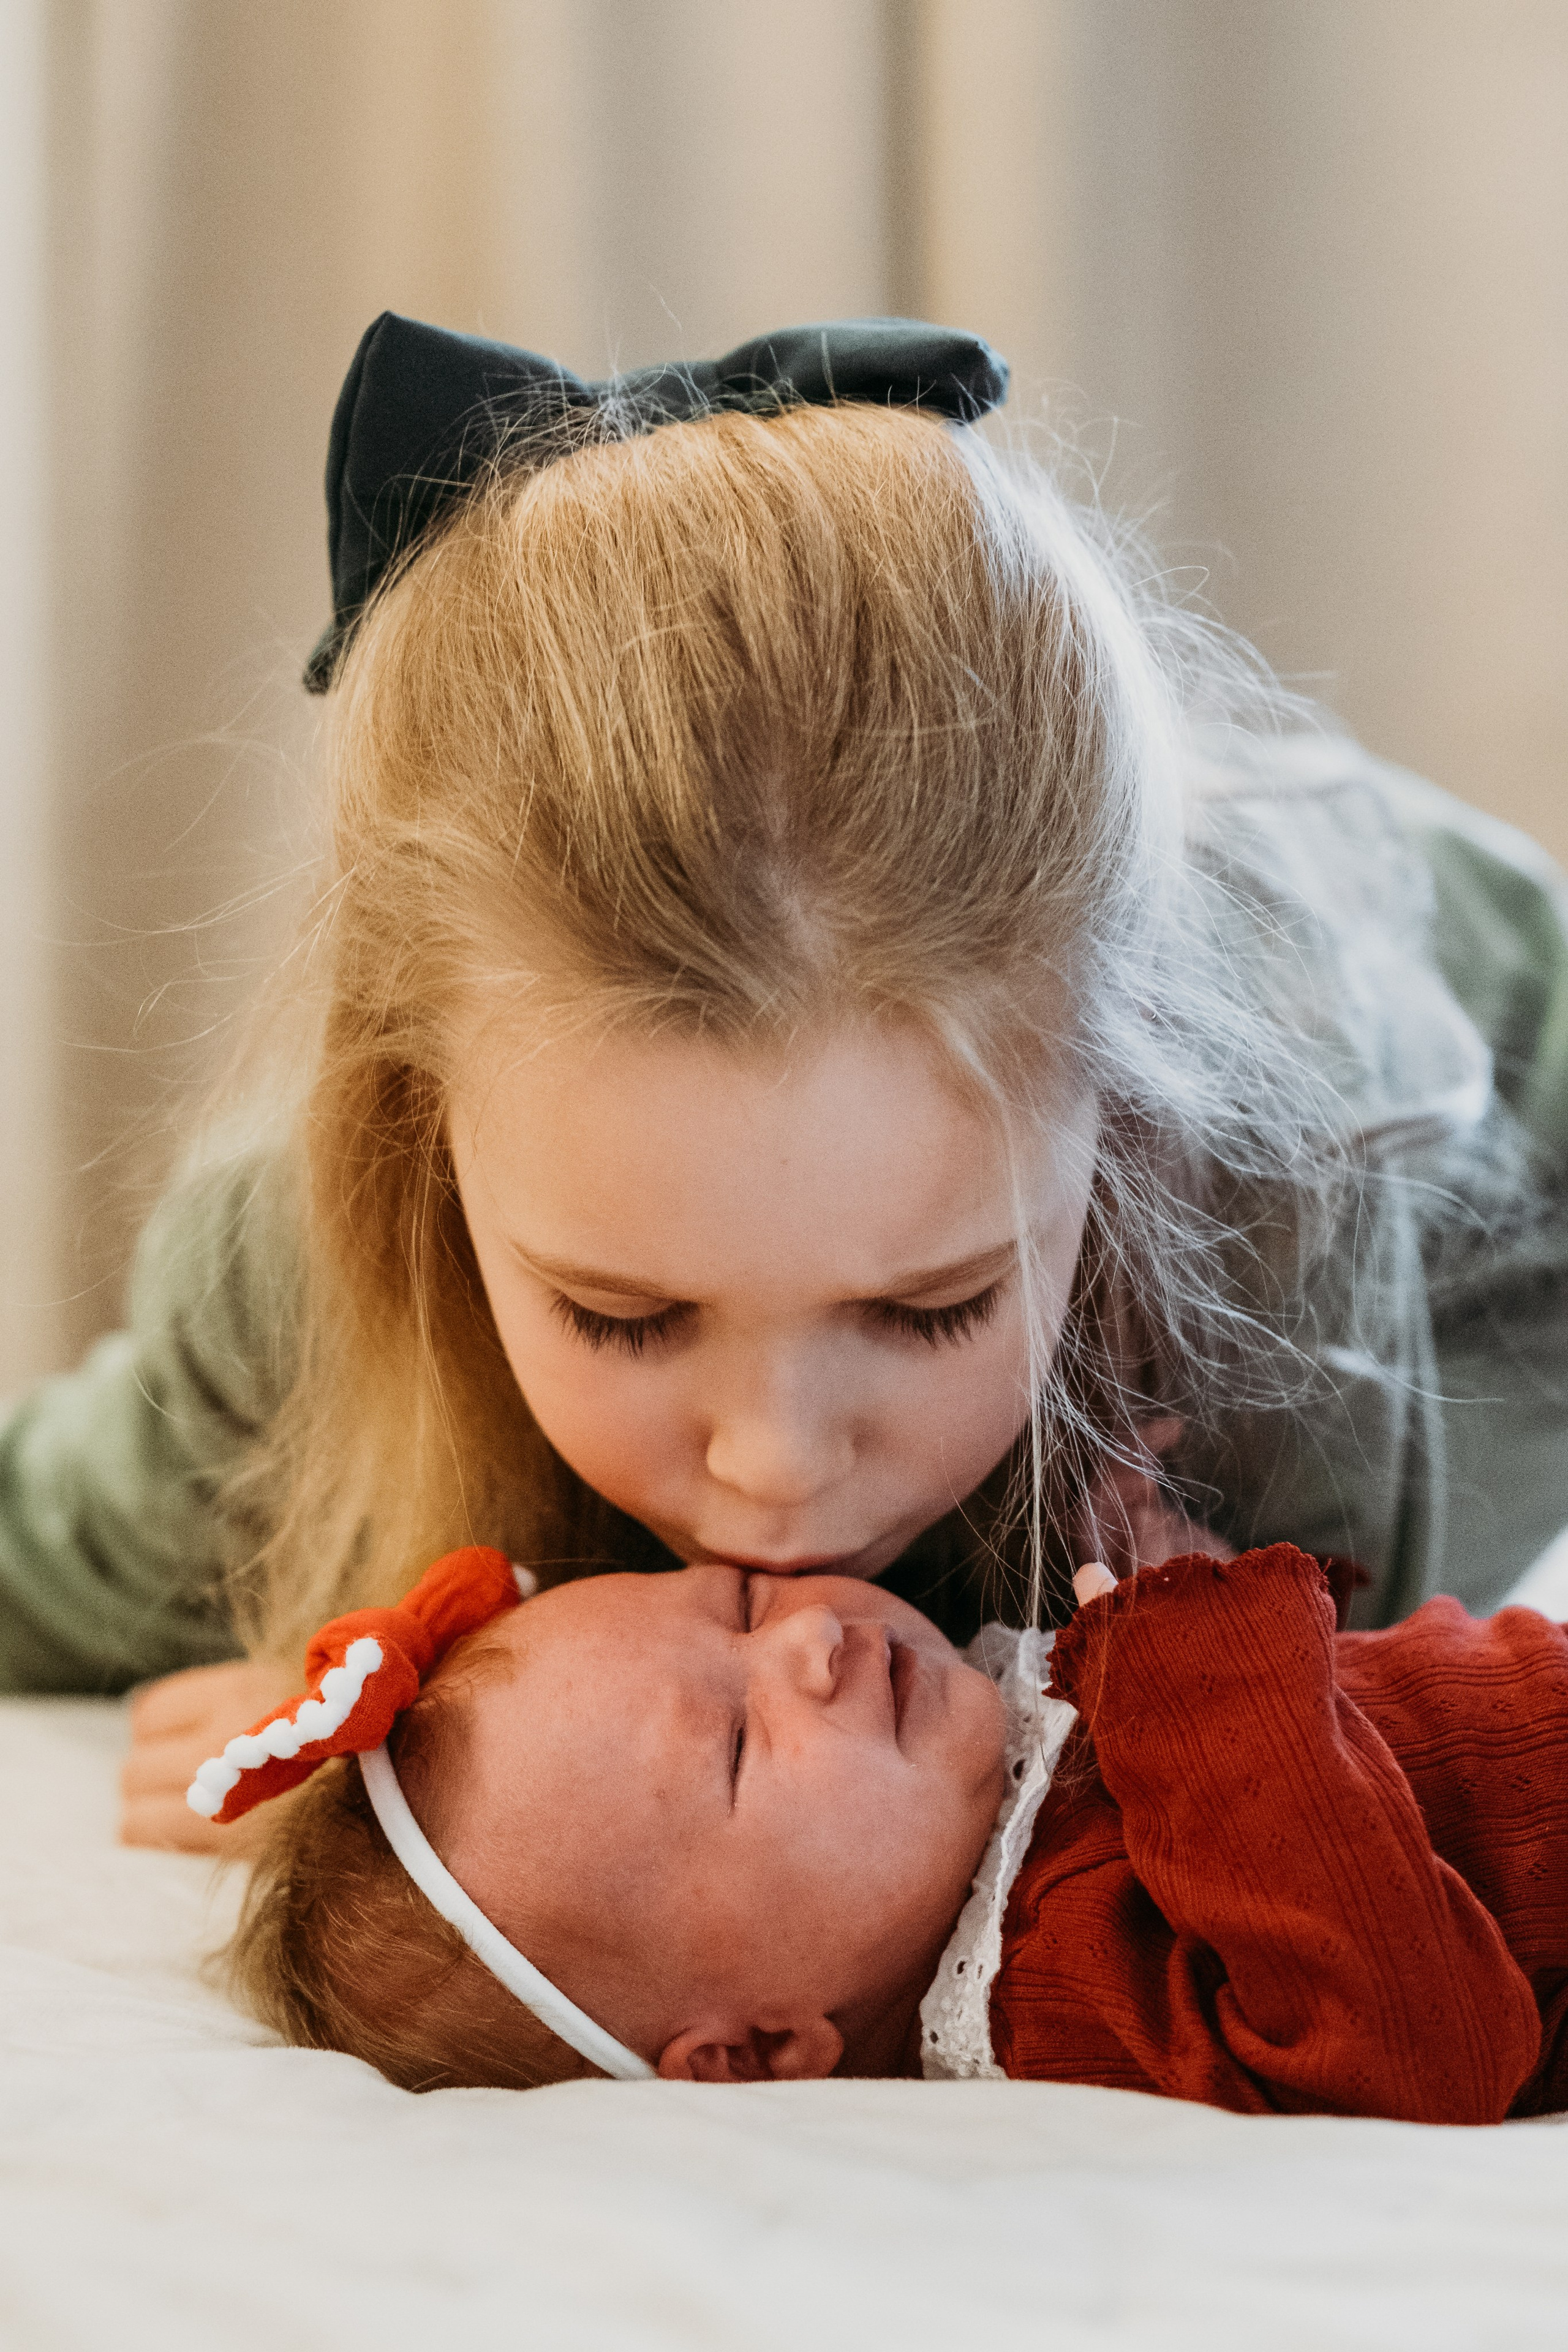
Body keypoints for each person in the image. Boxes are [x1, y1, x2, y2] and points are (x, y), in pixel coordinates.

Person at [0, 313, 1564, 1852]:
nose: (779, 1462)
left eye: (928, 1307)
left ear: (1114, 1124)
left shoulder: (1281, 1242)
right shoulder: (288, 1295)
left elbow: (1354, 1849)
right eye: (622, 1316)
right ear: (421, 1138)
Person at [209, 1537, 1568, 2119]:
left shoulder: (998, 1783)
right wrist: (1212, 1664)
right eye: (739, 1745)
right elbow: (1415, 2051)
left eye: (736, 1601)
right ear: (754, 2051)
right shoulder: (1055, 1983)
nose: (807, 1636)